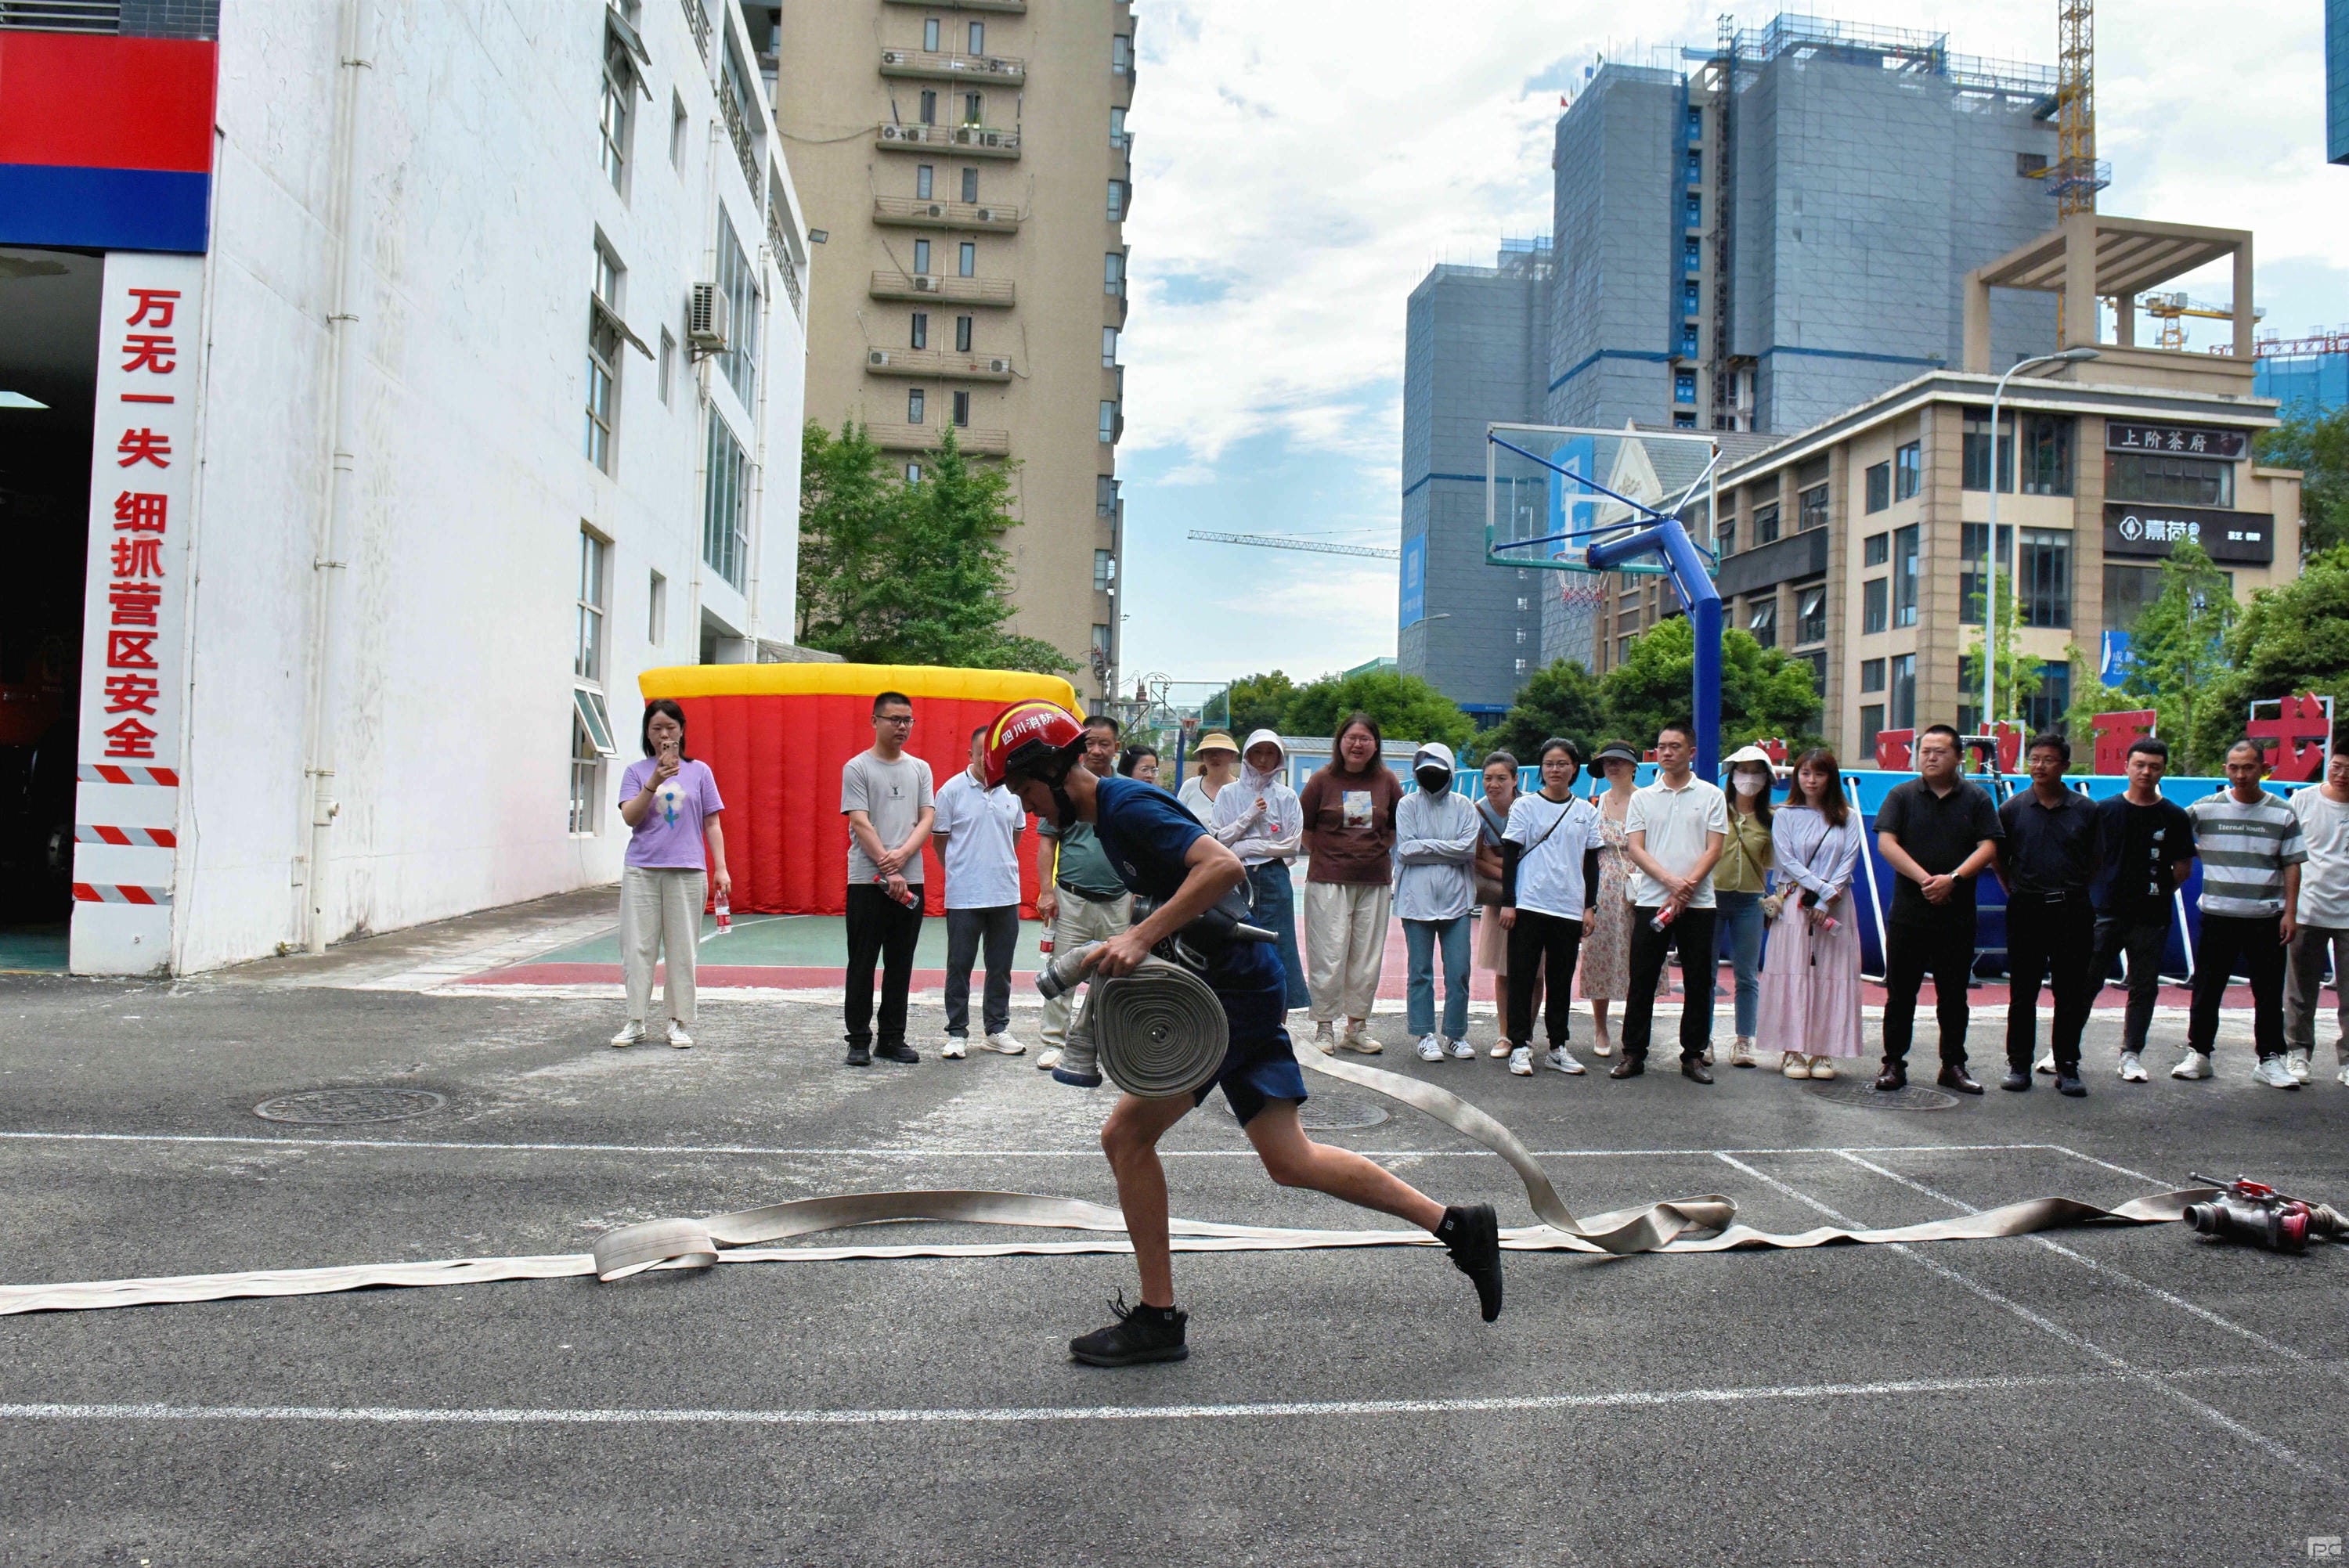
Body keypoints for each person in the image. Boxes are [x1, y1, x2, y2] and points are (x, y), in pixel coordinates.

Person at [982, 701, 1505, 1365]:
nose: (1027, 807)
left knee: (1126, 1134)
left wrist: (1142, 935)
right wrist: (1136, 937)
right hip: (1236, 986)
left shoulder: (1125, 808)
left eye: (1025, 789)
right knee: (1291, 1160)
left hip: (1229, 998)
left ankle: (1158, 1317)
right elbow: (1183, 893)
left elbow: (1224, 869)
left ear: (1055, 770)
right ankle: (1459, 1226)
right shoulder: (1108, 817)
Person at [1871, 723, 2001, 1094]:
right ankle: (1893, 1063)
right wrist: (1927, 880)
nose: (1930, 757)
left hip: (1956, 914)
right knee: (1901, 993)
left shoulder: (1976, 798)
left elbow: (1989, 847)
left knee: (1954, 994)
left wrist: (1953, 880)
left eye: (1939, 751)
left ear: (1959, 757)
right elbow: (1887, 844)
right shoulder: (1902, 795)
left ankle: (1953, 1065)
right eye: (1925, 750)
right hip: (1910, 913)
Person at [2181, 739, 2306, 1088]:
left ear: (2262, 769)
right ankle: (2199, 1053)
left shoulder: (2282, 811)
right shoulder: (2205, 809)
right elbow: (2174, 836)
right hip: (2218, 914)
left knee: (2268, 993)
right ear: (2225, 770)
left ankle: (2270, 1059)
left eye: (2248, 767)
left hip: (2266, 916)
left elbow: (2293, 864)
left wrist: (2290, 913)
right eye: (2234, 767)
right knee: (2207, 989)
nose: (2241, 774)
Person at [612, 699, 730, 1050]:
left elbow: (712, 820)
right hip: (642, 870)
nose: (664, 734)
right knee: (638, 947)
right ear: (647, 733)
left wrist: (721, 867)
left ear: (681, 731)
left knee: (682, 950)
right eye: (656, 728)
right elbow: (630, 817)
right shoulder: (636, 772)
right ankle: (635, 1020)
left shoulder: (700, 772)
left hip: (688, 870)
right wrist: (653, 781)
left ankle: (678, 1022)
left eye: (671, 728)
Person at [1615, 722, 1729, 1083]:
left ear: (1691, 753)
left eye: (1675, 746)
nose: (1667, 752)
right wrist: (1670, 883)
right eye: (1662, 746)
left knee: (1698, 980)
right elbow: (1635, 848)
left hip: (1699, 903)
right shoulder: (1643, 798)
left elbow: (1714, 848)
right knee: (1642, 979)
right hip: (1652, 900)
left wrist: (1687, 887)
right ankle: (1633, 1053)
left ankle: (1693, 1054)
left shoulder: (1711, 795)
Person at [1993, 731, 2102, 1097]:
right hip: (2026, 907)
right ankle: (2019, 1064)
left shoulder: (2087, 810)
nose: (2039, 766)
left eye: (2048, 760)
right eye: (2034, 759)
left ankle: (2067, 1065)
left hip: (2072, 908)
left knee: (2070, 991)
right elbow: (2000, 860)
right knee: (2022, 991)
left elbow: (2095, 862)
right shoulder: (2012, 809)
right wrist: (2019, 891)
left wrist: (2070, 888)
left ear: (2065, 766)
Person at [2089, 736, 2197, 1083]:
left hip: (2151, 916)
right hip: (2105, 912)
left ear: (2164, 770)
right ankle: (2064, 1049)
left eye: (2154, 766)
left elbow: (2182, 869)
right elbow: (2089, 860)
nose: (2146, 772)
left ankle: (2131, 1054)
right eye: (2140, 765)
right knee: (2086, 981)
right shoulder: (2104, 811)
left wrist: (2157, 892)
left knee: (2144, 987)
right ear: (2126, 767)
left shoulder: (2175, 816)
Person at [1034, 714, 1134, 1074]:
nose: (1095, 750)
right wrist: (1047, 891)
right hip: (1072, 898)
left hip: (1119, 898)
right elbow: (1047, 841)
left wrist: (1138, 892)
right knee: (1063, 971)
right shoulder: (1065, 789)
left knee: (1117, 974)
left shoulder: (1127, 790)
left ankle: (1110, 1043)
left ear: (1116, 748)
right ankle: (1053, 1041)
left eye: (1103, 744)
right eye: (1089, 743)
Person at [1299, 712, 1402, 1053]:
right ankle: (1324, 1027)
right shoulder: (1321, 781)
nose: (1358, 744)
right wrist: (1333, 855)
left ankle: (1356, 1027)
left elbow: (1398, 825)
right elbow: (1306, 829)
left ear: (1376, 745)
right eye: (1351, 738)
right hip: (1328, 881)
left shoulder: (1387, 780)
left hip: (1374, 881)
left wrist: (1374, 851)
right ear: (1340, 742)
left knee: (1366, 957)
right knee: (1328, 954)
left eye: (1365, 739)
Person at [842, 690, 935, 1067]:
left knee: (901, 962)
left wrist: (902, 862)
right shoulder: (857, 767)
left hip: (909, 879)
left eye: (907, 720)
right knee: (862, 961)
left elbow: (926, 818)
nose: (902, 727)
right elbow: (860, 821)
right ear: (875, 721)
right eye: (894, 719)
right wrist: (888, 866)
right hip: (868, 881)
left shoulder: (920, 769)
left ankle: (892, 1038)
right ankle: (859, 1040)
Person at [1499, 738, 1603, 1076]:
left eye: (1562, 763)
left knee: (1561, 981)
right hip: (1529, 904)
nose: (1555, 770)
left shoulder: (1586, 811)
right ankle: (1519, 1045)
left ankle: (1558, 1047)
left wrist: (1590, 907)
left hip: (1568, 908)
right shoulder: (1525, 806)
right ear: (1541, 769)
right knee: (1521, 978)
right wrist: (1508, 902)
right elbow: (1511, 858)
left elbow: (1591, 863)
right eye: (1549, 764)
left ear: (1574, 768)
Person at [1755, 748, 1862, 1078]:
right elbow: (1786, 860)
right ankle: (1791, 1050)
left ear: (1831, 777)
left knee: (1831, 973)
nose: (1811, 780)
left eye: (1819, 773)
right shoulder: (1785, 815)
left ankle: (1824, 1050)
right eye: (1805, 773)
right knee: (1792, 971)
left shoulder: (1848, 817)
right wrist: (1820, 890)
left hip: (1836, 903)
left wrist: (1828, 897)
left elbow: (1849, 859)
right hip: (1794, 901)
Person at [933, 725, 1029, 1061]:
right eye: (980, 753)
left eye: (993, 754)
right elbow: (940, 842)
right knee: (959, 965)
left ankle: (997, 1029)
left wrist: (994, 866)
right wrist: (964, 871)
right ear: (969, 755)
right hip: (964, 896)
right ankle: (957, 1032)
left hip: (1005, 893)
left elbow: (1015, 836)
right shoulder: (950, 792)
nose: (987, 760)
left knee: (1000, 967)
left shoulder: (1013, 791)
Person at [1395, 741, 1481, 1062]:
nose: (1431, 777)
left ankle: (1456, 1035)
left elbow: (1467, 849)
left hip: (1457, 901)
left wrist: (1427, 847)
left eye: (1438, 772)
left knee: (1459, 970)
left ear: (1450, 774)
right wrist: (1448, 848)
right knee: (1420, 971)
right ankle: (1423, 1033)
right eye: (1425, 773)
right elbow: (1405, 850)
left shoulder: (1464, 806)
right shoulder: (1406, 805)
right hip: (1416, 901)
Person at [1214, 730, 1309, 1011]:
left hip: (1274, 876)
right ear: (1247, 755)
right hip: (1236, 877)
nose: (1264, 759)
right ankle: (1236, 1015)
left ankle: (1279, 1020)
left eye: (1270, 753)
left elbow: (1292, 845)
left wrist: (1249, 845)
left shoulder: (1287, 796)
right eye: (1258, 752)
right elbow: (1219, 840)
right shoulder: (1229, 794)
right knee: (1237, 944)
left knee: (1280, 946)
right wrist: (1248, 818)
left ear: (1279, 757)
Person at [1579, 740, 1651, 1058]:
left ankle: (1636, 1028)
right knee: (1600, 952)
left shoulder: (1647, 800)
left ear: (1634, 766)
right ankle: (1600, 1026)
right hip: (1604, 885)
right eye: (1608, 762)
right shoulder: (1597, 801)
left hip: (1643, 881)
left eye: (1619, 761)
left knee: (1642, 956)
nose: (1613, 766)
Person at [2286, 737, 2349, 1087]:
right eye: (2337, 767)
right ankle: (2297, 1053)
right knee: (2300, 988)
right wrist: (2288, 908)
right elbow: (2288, 854)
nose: (2342, 775)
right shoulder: (2304, 800)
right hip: (2308, 907)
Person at [1713, 744, 1778, 1069]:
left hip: (1750, 901)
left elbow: (1776, 865)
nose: (1748, 778)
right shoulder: (1716, 809)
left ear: (1767, 779)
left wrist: (1776, 897)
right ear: (1732, 775)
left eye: (1756, 772)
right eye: (1743, 771)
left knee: (1747, 975)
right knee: (1705, 973)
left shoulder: (1772, 820)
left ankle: (1743, 1042)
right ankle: (1702, 1040)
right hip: (1710, 898)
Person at [1471, 752, 1524, 1059]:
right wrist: (1511, 876)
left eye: (1501, 778)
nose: (1494, 784)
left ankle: (1525, 1035)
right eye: (1488, 778)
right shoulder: (1478, 810)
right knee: (1503, 970)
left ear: (1515, 780)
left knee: (1536, 972)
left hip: (1532, 900)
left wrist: (1499, 860)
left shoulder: (1529, 806)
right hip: (1500, 899)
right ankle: (1505, 1034)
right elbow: (1478, 859)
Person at [1175, 731, 1239, 825]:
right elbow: (1176, 820)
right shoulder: (1190, 786)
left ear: (1232, 756)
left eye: (1220, 751)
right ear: (1202, 757)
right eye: (1209, 752)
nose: (1214, 757)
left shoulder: (1242, 789)